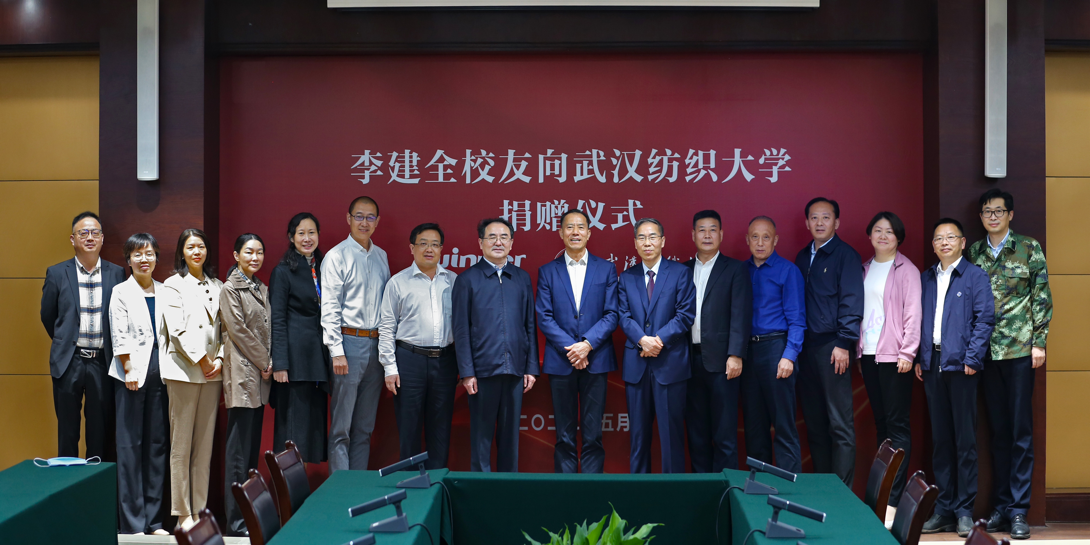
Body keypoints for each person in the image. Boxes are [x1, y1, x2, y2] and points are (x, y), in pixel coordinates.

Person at [968, 189, 1052, 540]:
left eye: (999, 211)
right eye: (987, 212)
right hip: (986, 353)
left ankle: (1019, 510)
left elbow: (1041, 295)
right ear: (981, 216)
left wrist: (1039, 342)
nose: (993, 216)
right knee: (998, 432)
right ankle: (1002, 506)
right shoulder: (974, 251)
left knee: (1020, 432)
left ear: (1010, 215)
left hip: (1019, 351)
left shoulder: (1028, 248)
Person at [918, 218, 995, 538]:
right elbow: (920, 320)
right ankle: (943, 509)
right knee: (941, 441)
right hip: (932, 364)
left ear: (963, 243)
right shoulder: (926, 277)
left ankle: (964, 510)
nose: (944, 242)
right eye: (939, 238)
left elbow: (985, 319)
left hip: (962, 366)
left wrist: (973, 358)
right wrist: (922, 358)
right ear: (933, 245)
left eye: (951, 237)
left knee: (964, 441)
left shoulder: (975, 276)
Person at [536, 209, 619, 473]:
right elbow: (544, 316)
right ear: (561, 233)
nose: (575, 232)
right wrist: (573, 349)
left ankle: (592, 488)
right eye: (569, 227)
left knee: (593, 434)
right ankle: (565, 487)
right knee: (564, 434)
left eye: (580, 227)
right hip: (562, 361)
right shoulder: (548, 271)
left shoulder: (606, 269)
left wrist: (587, 345)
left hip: (596, 358)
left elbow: (612, 314)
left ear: (589, 233)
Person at [452, 218, 539, 472]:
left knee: (510, 440)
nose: (498, 242)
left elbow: (529, 325)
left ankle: (508, 489)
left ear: (512, 243)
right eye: (492, 237)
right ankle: (482, 489)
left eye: (504, 237)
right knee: (481, 440)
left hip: (515, 372)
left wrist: (531, 367)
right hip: (482, 373)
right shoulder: (467, 280)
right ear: (480, 243)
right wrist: (467, 372)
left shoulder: (521, 278)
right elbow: (461, 330)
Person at [40, 211, 125, 460]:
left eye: (95, 232)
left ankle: (94, 482)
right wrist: (66, 342)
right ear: (73, 239)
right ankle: (67, 481)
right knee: (67, 432)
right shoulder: (57, 273)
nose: (90, 237)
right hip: (69, 361)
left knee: (99, 433)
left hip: (102, 362)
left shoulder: (116, 273)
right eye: (83, 233)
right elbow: (48, 316)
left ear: (102, 238)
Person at [794, 197, 863, 486]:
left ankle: (842, 493)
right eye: (814, 217)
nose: (819, 222)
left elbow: (852, 301)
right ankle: (823, 489)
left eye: (826, 217)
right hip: (806, 348)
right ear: (806, 222)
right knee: (814, 423)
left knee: (839, 424)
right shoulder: (802, 257)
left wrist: (844, 343)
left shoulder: (846, 255)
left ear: (837, 222)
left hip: (833, 346)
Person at [618, 218, 696, 474]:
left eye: (652, 237)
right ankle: (639, 491)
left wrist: (658, 340)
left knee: (671, 438)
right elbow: (623, 315)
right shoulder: (626, 277)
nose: (647, 242)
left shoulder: (680, 273)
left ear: (662, 241)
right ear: (635, 243)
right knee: (638, 438)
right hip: (637, 366)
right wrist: (643, 340)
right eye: (641, 238)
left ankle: (673, 492)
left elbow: (685, 314)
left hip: (670, 365)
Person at [378, 223, 458, 468]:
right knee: (409, 428)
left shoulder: (453, 281)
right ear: (412, 248)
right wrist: (389, 367)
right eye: (423, 243)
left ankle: (437, 482)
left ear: (442, 249)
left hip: (445, 361)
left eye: (435, 244)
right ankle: (409, 482)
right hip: (409, 360)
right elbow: (386, 327)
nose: (429, 249)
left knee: (441, 428)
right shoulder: (398, 282)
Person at [857, 212, 921, 514]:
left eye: (890, 231)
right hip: (869, 354)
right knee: (882, 424)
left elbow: (913, 314)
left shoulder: (907, 270)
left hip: (895, 357)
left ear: (898, 237)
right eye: (878, 230)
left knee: (897, 425)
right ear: (870, 235)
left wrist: (908, 353)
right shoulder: (864, 268)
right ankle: (881, 497)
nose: (883, 236)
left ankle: (893, 500)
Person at [160, 228, 224, 529]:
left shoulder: (218, 285)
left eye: (201, 246)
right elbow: (177, 330)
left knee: (204, 447)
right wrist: (203, 359)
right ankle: (182, 514)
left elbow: (226, 329)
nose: (196, 252)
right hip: (184, 372)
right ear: (182, 252)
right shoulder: (173, 284)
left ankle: (199, 511)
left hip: (213, 374)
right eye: (190, 247)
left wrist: (219, 359)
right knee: (181, 446)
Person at [321, 196, 390, 472]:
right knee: (342, 427)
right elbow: (329, 307)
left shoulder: (381, 256)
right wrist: (336, 351)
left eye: (370, 217)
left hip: (376, 346)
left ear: (377, 221)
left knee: (365, 426)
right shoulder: (336, 256)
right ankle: (340, 489)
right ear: (348, 218)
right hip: (347, 344)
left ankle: (358, 485)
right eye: (359, 216)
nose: (364, 222)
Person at [108, 233, 169, 535]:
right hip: (130, 376)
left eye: (149, 253)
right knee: (130, 447)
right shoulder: (121, 291)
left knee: (157, 447)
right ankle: (132, 523)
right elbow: (118, 333)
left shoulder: (166, 290)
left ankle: (154, 521)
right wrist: (128, 368)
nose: (144, 259)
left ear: (156, 257)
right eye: (137, 254)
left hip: (163, 375)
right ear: (129, 260)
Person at [684, 210, 751, 472]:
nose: (707, 235)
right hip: (688, 362)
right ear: (693, 235)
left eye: (713, 229)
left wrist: (736, 354)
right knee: (696, 433)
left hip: (723, 362)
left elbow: (741, 314)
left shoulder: (735, 269)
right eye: (702, 230)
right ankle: (702, 487)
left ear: (721, 234)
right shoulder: (682, 270)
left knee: (724, 434)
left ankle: (727, 488)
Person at [742, 216, 805, 473]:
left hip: (777, 349)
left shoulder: (788, 271)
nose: (760, 243)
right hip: (747, 353)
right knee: (754, 426)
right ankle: (759, 486)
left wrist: (789, 355)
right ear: (747, 240)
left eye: (766, 237)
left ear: (775, 240)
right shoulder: (740, 271)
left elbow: (797, 319)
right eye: (755, 237)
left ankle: (790, 489)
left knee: (783, 425)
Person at [220, 233, 273, 536]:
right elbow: (238, 331)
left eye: (260, 252)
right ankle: (236, 523)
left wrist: (268, 362)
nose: (255, 257)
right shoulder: (230, 288)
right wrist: (265, 361)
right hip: (243, 375)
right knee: (238, 455)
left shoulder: (260, 287)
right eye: (249, 252)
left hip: (259, 378)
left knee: (251, 451)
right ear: (236, 255)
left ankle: (248, 518)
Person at [270, 213, 331, 465]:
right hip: (294, 363)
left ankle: (304, 482)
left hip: (318, 361)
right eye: (301, 233)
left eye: (312, 232)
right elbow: (277, 319)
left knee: (311, 429)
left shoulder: (324, 267)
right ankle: (289, 485)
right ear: (291, 237)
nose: (307, 238)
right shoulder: (282, 271)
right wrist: (280, 363)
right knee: (293, 430)